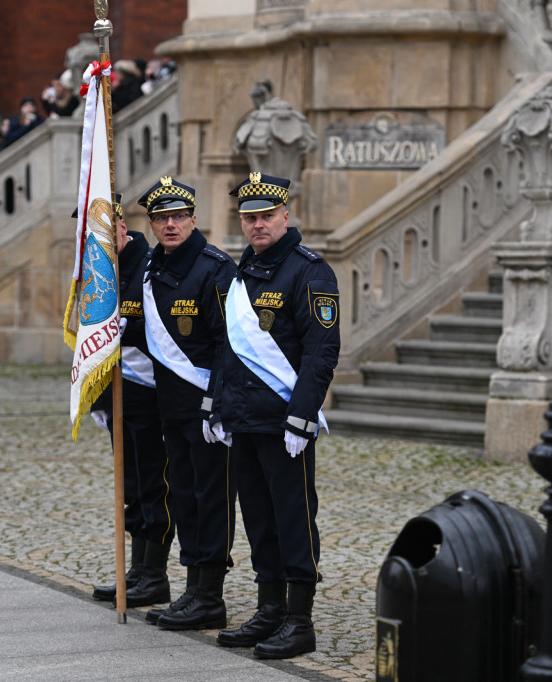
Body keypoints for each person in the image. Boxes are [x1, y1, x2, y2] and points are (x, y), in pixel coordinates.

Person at [211, 173, 340, 660]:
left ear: (286, 215)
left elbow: (321, 351)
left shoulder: (310, 271)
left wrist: (302, 417)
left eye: (266, 215)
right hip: (244, 420)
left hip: (284, 423)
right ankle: (269, 609)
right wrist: (219, 406)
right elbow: (229, 347)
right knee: (259, 519)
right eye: (250, 217)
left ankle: (299, 619)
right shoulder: (244, 271)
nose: (258, 224)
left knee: (294, 519)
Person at [138, 176, 237, 631]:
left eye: (178, 216)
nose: (171, 225)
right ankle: (191, 589)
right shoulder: (152, 266)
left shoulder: (215, 268)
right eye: (162, 218)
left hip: (205, 409)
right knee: (183, 496)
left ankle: (209, 595)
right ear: (153, 225)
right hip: (171, 406)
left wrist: (214, 404)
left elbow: (228, 344)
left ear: (194, 219)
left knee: (210, 497)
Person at [87, 196, 174, 608]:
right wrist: (99, 401)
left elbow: (155, 333)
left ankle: (154, 575)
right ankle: (136, 571)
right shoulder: (102, 270)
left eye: (105, 230)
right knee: (132, 487)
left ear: (123, 228)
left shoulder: (148, 265)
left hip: (152, 394)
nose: (97, 240)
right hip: (121, 394)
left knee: (153, 487)